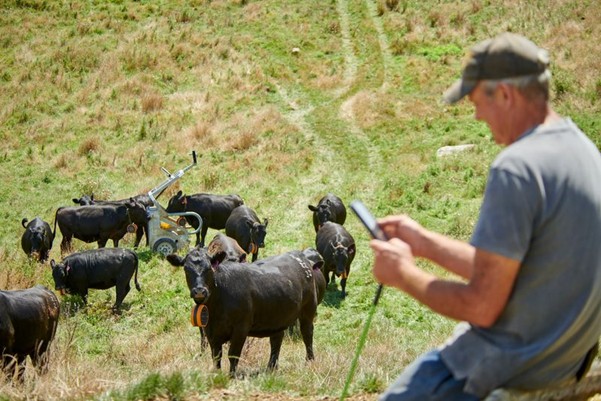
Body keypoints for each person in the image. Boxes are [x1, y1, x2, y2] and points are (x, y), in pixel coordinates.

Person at [369, 32, 601, 401]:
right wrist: (424, 242)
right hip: (565, 362)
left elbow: (482, 305)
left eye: (477, 101)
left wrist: (404, 274)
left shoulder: (517, 168)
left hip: (505, 367)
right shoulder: (586, 152)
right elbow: (516, 270)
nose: (476, 114)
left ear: (506, 94)